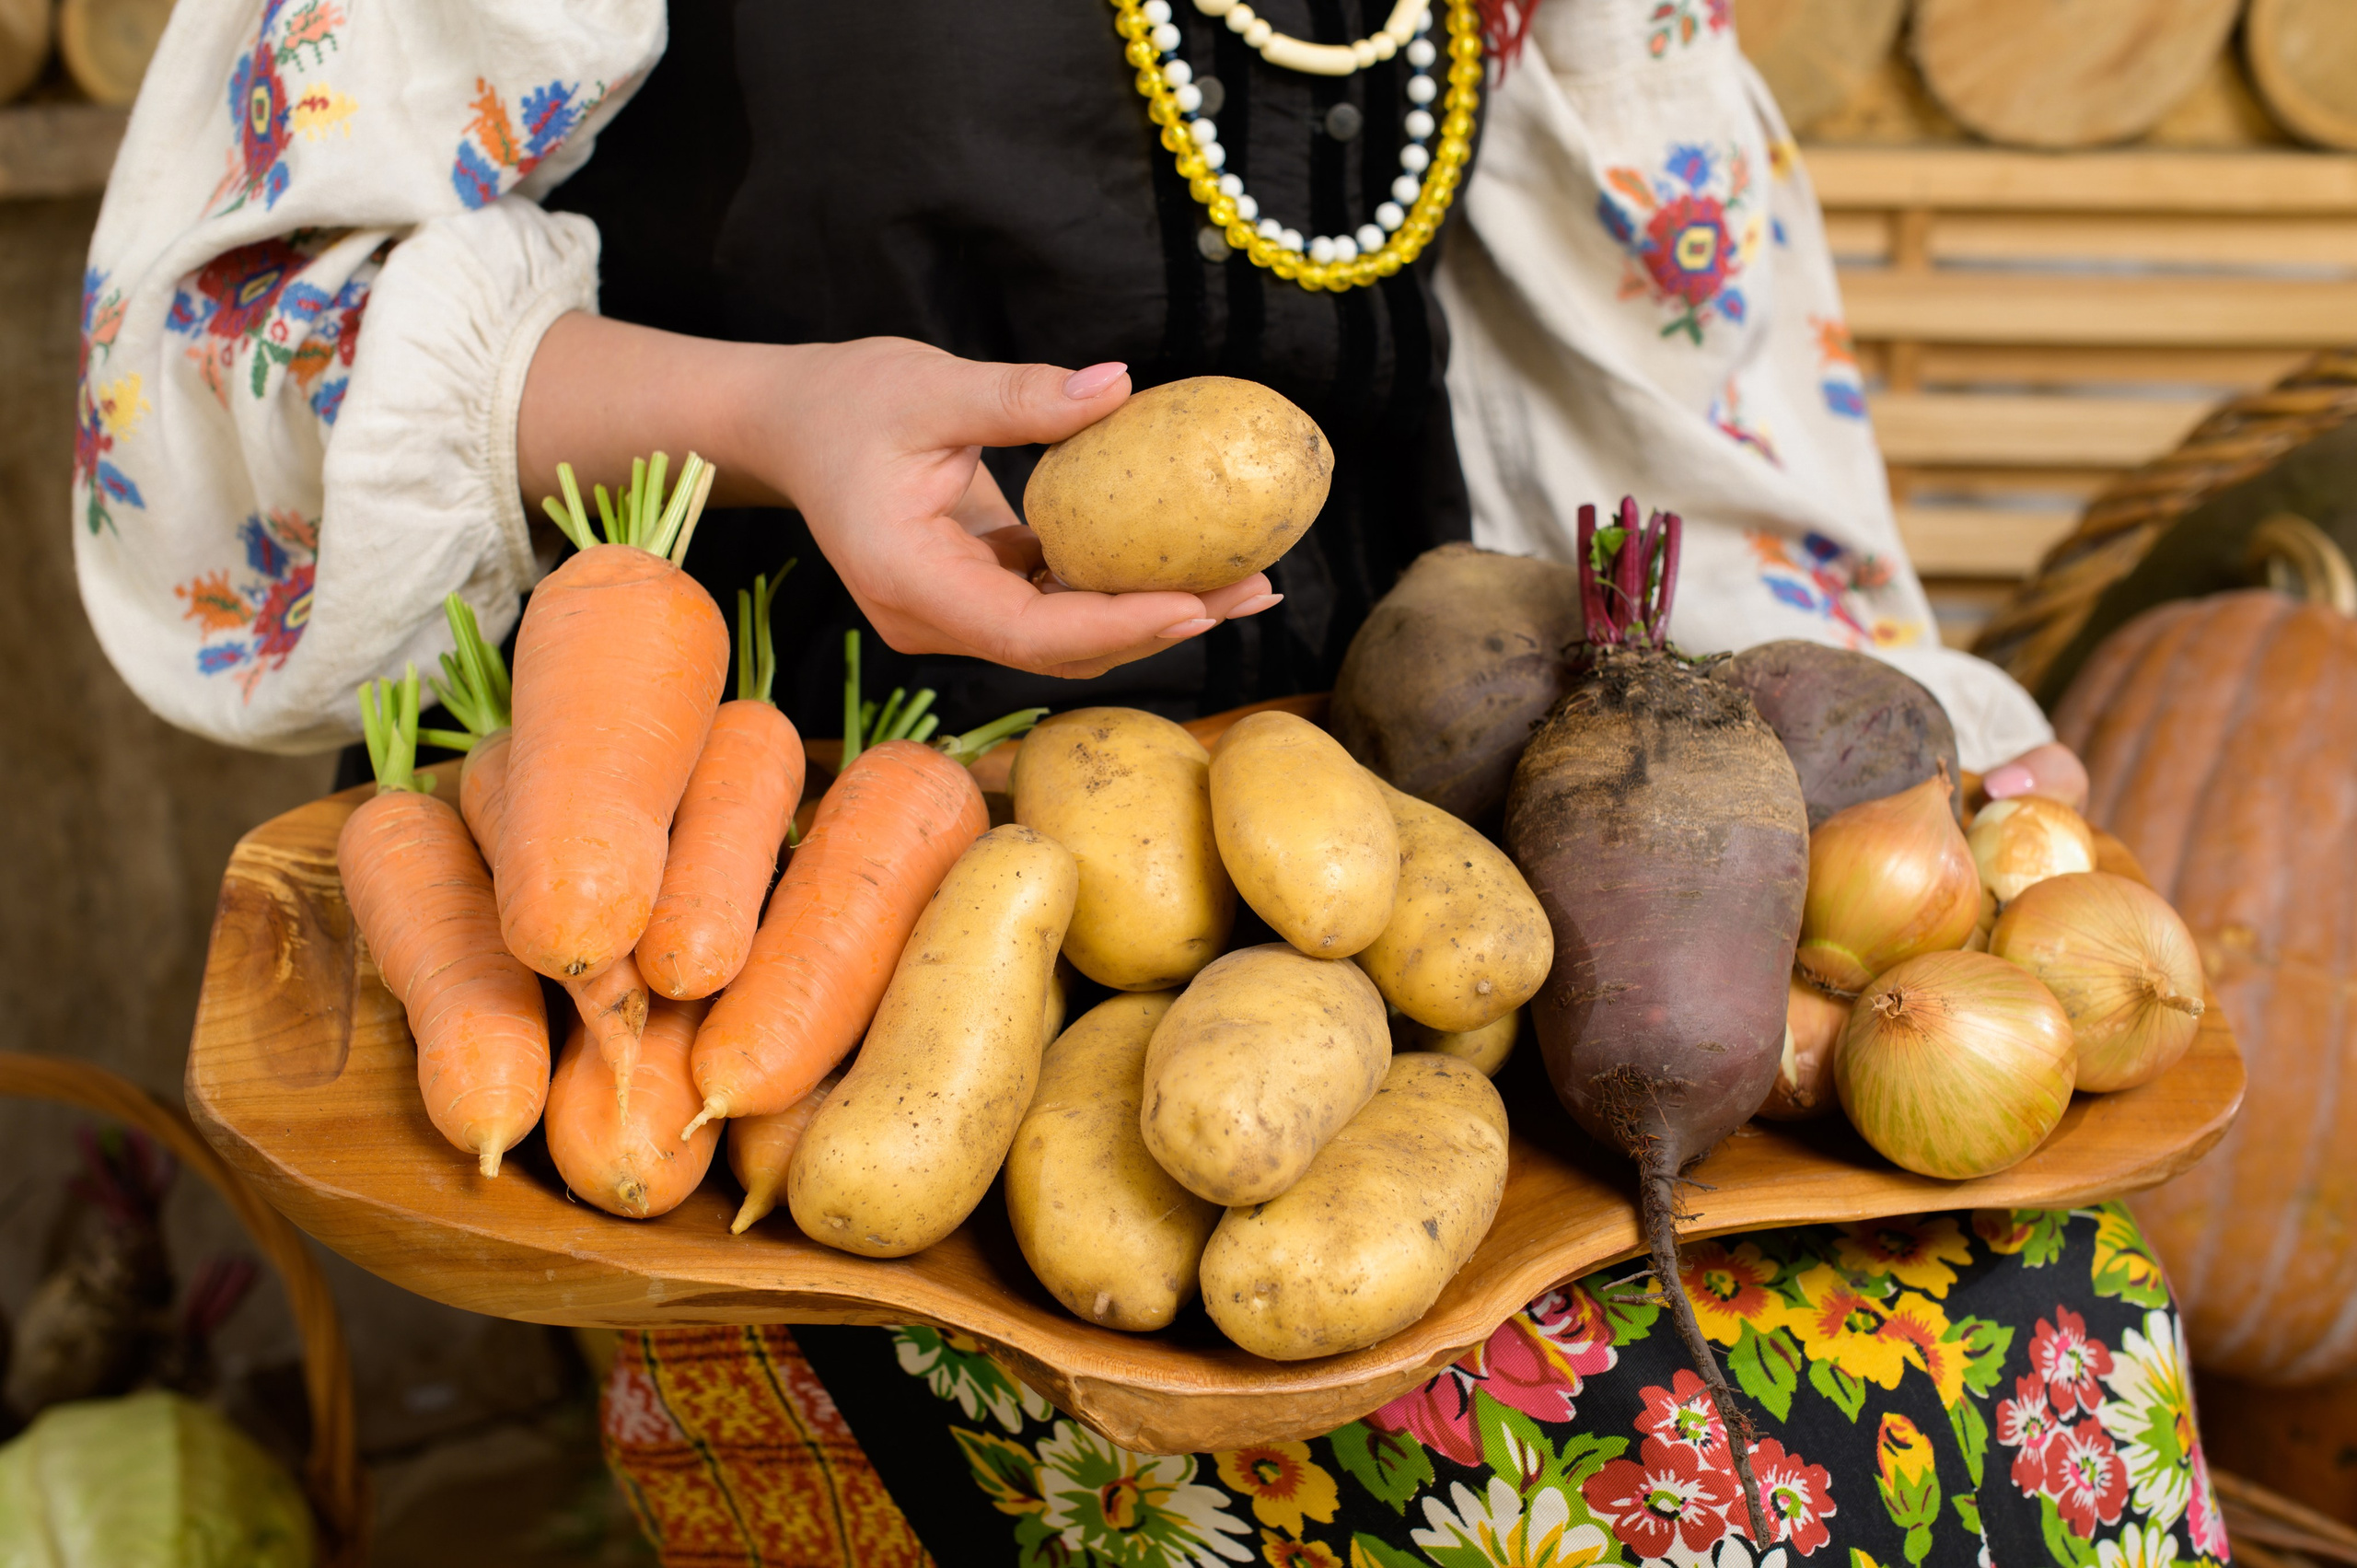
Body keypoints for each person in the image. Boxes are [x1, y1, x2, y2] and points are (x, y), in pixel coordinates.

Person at [75, 2, 2207, 1565]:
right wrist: (775, 419)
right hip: (817, 886)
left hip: (1408, 859)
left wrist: (1861, 747)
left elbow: (1639, 347)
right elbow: (224, 363)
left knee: (2033, 1360)